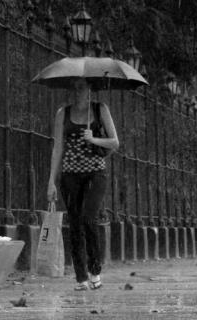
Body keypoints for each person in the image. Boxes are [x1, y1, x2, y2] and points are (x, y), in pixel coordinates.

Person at [47, 78, 119, 290]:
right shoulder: (63, 113)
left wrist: (94, 139)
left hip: (95, 174)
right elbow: (57, 149)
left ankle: (95, 269)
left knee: (89, 217)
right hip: (71, 176)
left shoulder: (100, 109)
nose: (78, 91)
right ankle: (81, 278)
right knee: (75, 224)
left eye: (82, 87)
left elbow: (114, 142)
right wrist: (52, 181)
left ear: (89, 90)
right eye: (74, 87)